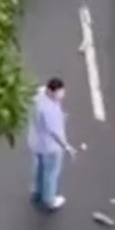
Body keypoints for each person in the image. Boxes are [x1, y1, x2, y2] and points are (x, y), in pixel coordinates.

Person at [27, 77, 76, 211]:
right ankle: (49, 199)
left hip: (36, 141)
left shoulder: (39, 97)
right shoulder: (49, 110)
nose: (62, 95)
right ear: (52, 92)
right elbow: (55, 132)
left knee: (39, 168)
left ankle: (36, 191)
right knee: (51, 172)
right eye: (60, 92)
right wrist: (66, 147)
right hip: (50, 147)